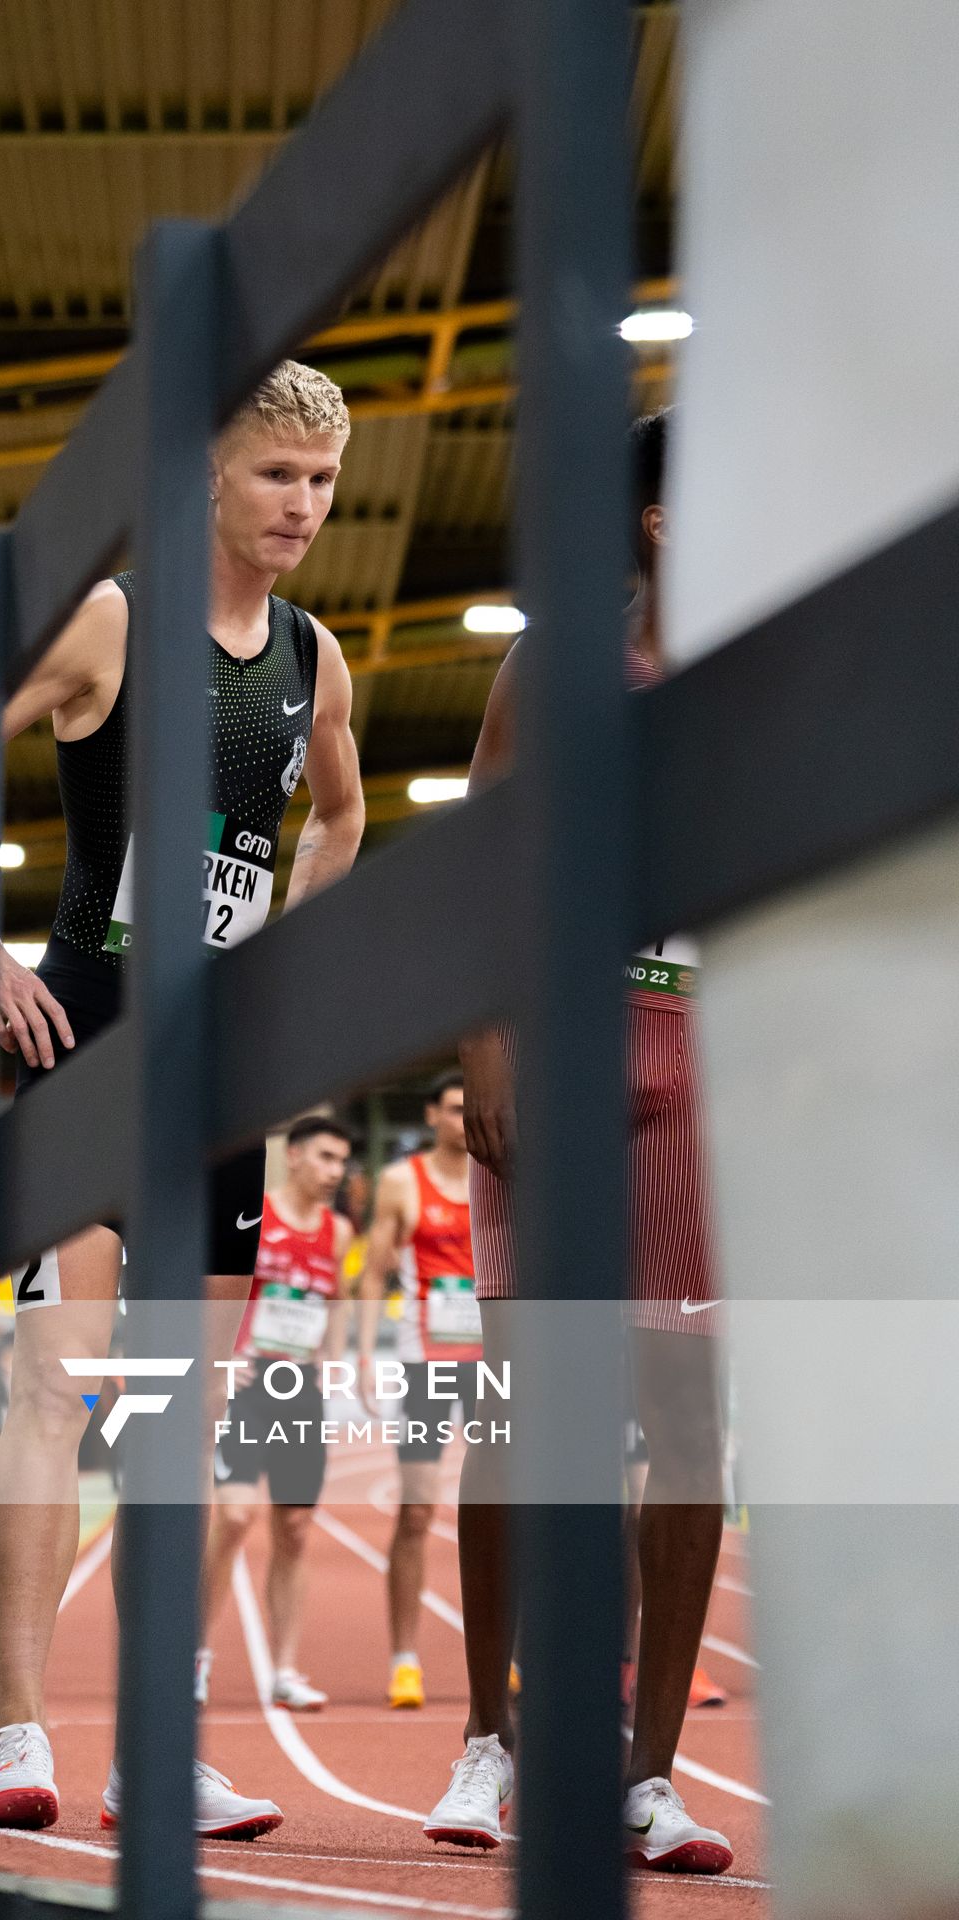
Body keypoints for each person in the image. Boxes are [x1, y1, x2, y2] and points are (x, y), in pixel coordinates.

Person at [0, 361, 365, 1837]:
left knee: (182, 1417)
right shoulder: (116, 623)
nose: (303, 507)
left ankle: (154, 1745)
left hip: (216, 1071)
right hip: (88, 1032)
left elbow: (342, 812)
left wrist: (293, 951)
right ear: (209, 482)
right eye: (277, 476)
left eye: (322, 482)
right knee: (57, 1376)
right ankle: (19, 1729)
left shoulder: (320, 659)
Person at [422, 410, 733, 1874]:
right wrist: (481, 1040)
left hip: (700, 1071)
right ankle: (489, 1735)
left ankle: (647, 1770)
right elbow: (480, 846)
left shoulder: (777, 664)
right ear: (665, 519)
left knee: (684, 1420)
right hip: (553, 1048)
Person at [199, 1115, 354, 1711]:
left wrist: (332, 1365)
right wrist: (222, 1358)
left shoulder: (338, 1232)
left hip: (302, 1387)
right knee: (234, 1517)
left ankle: (285, 1668)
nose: (335, 1171)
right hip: (246, 1382)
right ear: (292, 1156)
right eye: (324, 1157)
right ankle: (194, 1653)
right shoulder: (255, 1213)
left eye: (342, 1160)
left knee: (293, 1529)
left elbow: (335, 1302)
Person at [357, 1073, 481, 1709]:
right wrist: (363, 1354)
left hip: (493, 1359)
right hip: (423, 1359)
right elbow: (374, 1272)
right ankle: (405, 1658)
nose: (465, 1120)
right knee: (416, 1508)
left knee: (510, 1506)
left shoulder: (500, 1177)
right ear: (433, 1113)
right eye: (455, 1109)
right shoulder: (403, 1181)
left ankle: (510, 1653)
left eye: (472, 1109)